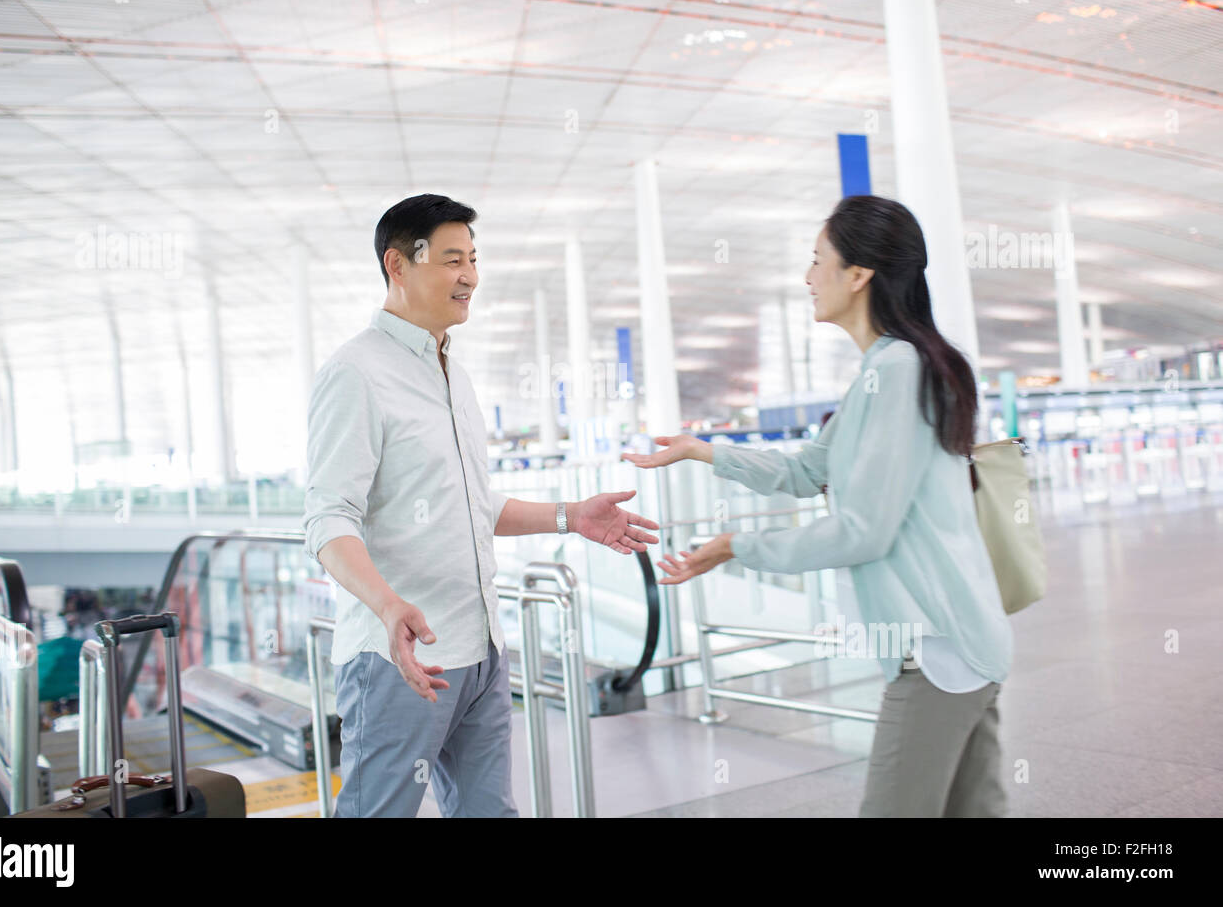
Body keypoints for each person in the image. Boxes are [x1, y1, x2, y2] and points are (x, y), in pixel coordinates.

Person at [622, 194, 1012, 817]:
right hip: (960, 640)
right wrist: (705, 452)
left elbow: (865, 531)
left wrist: (736, 547)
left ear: (858, 275)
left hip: (936, 650)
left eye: (816, 260)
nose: (808, 278)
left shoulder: (899, 371)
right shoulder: (884, 370)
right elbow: (808, 470)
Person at [304, 193, 660, 817]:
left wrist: (569, 516)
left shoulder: (452, 374)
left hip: (481, 655)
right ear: (398, 264)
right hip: (400, 659)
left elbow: (471, 505)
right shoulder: (356, 373)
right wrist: (388, 605)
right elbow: (329, 518)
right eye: (450, 260)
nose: (469, 276)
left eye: (472, 258)